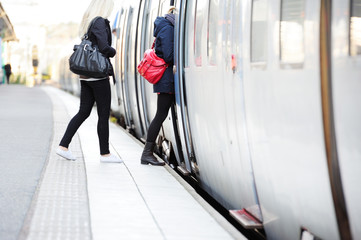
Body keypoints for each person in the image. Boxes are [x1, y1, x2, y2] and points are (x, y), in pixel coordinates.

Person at [56, 0, 122, 163]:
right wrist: (114, 51)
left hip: (86, 76)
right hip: (98, 76)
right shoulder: (100, 21)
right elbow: (103, 46)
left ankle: (63, 146)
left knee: (84, 112)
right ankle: (105, 154)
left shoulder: (89, 22)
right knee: (103, 113)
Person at [140, 7, 176, 166]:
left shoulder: (164, 27)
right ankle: (147, 153)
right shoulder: (168, 29)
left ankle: (147, 153)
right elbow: (168, 55)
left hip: (165, 79)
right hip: (165, 79)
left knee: (161, 114)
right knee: (160, 114)